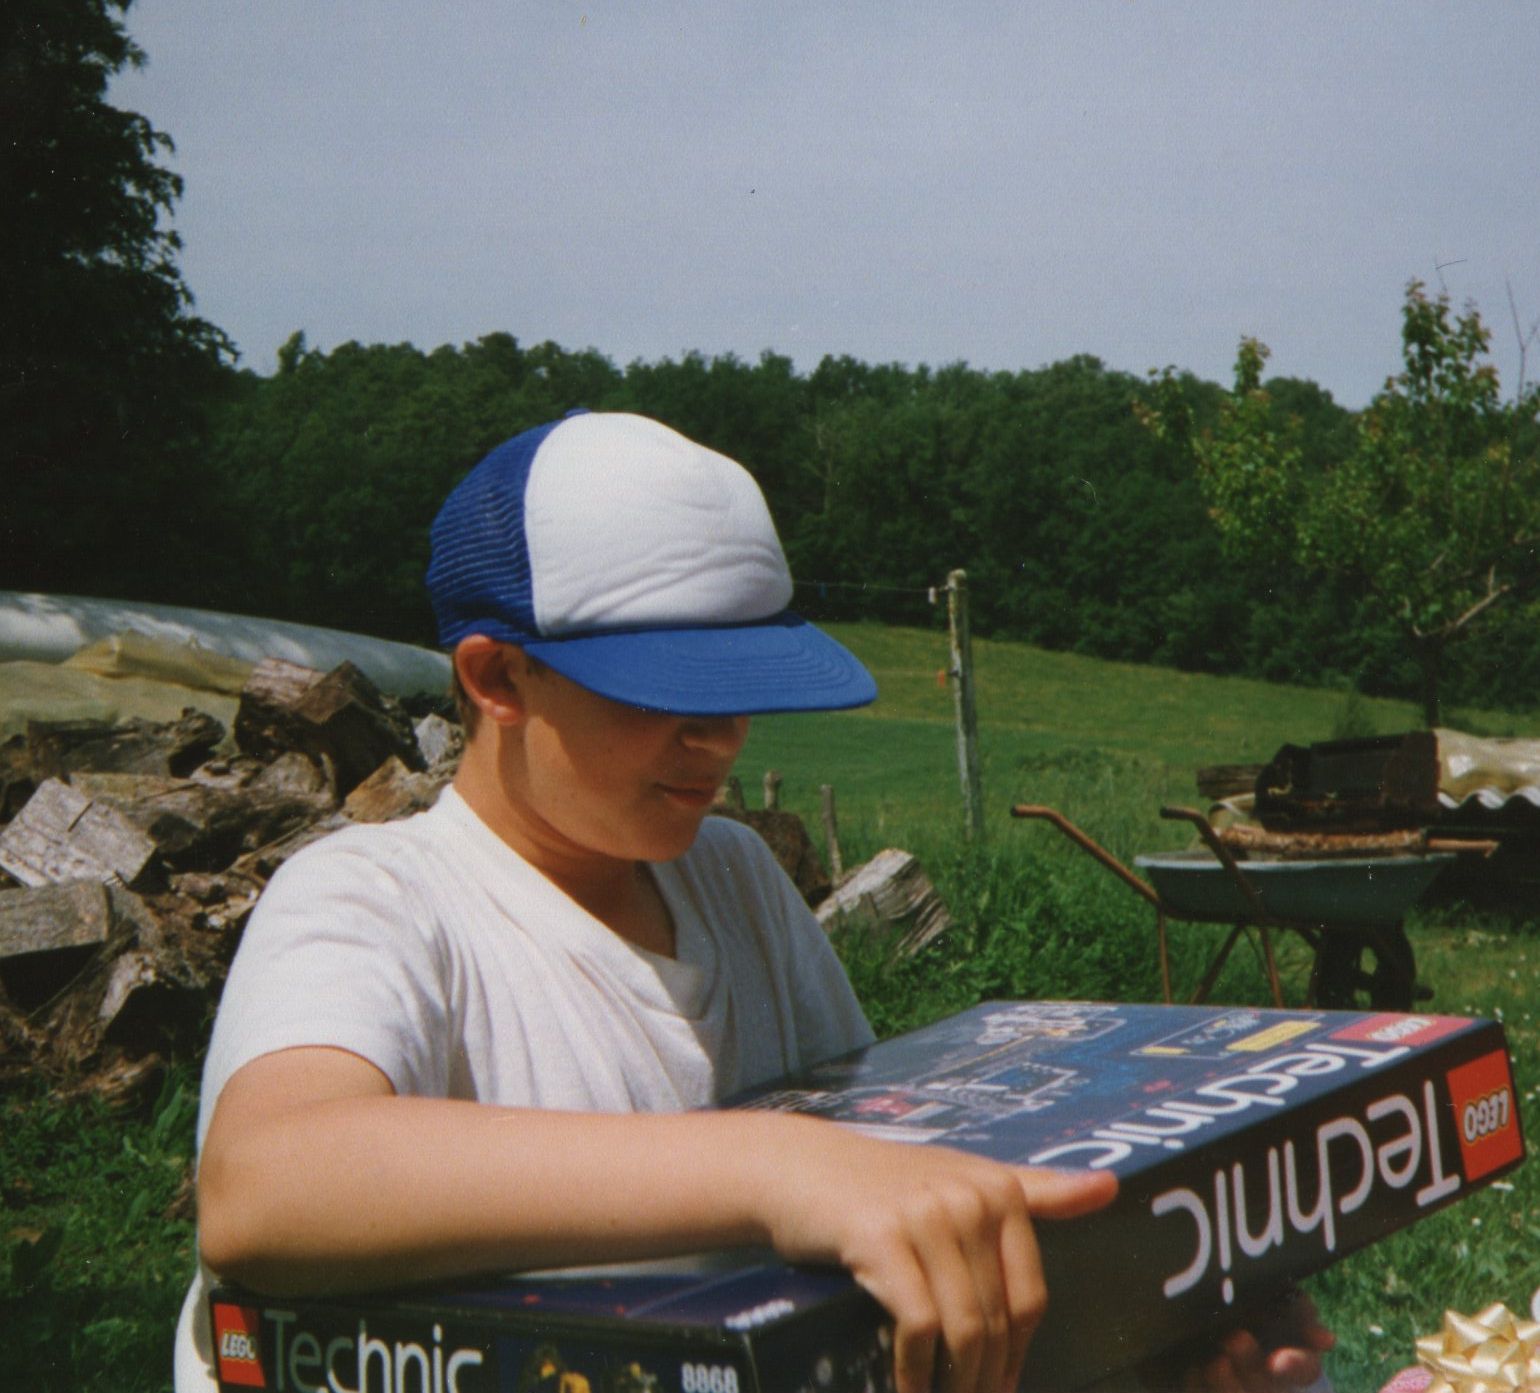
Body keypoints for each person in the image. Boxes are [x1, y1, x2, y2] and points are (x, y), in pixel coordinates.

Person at [175, 410, 1332, 1393]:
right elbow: (264, 1184)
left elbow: (870, 1215)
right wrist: (776, 1167)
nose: (719, 740)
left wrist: (1147, 1342)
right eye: (665, 694)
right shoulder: (380, 896)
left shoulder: (729, 876)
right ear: (497, 675)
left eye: (738, 692)